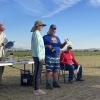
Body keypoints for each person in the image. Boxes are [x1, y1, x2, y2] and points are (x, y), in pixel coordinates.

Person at [43, 24, 67, 89]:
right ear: (50, 29)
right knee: (49, 70)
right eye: (53, 29)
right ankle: (48, 84)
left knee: (56, 70)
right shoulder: (45, 37)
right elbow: (41, 46)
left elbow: (61, 46)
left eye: (55, 29)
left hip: (57, 56)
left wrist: (65, 43)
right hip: (49, 56)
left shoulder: (57, 38)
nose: (54, 30)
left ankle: (55, 83)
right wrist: (48, 46)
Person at [31, 20, 46, 95]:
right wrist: (40, 58)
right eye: (41, 26)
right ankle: (37, 90)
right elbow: (38, 47)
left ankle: (36, 88)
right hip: (38, 56)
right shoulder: (36, 34)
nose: (42, 27)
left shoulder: (36, 33)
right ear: (38, 26)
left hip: (37, 56)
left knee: (37, 72)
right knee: (38, 73)